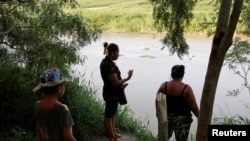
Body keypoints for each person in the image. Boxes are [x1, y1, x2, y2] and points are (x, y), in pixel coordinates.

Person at [100, 42, 133, 141]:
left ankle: (113, 132)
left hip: (112, 92)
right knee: (108, 116)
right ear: (113, 53)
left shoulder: (108, 62)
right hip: (111, 93)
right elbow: (116, 83)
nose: (118, 54)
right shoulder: (108, 65)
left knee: (112, 114)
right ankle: (111, 136)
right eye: (118, 52)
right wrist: (128, 78)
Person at [156, 65, 199, 141]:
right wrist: (201, 117)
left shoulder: (164, 86)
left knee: (163, 138)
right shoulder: (186, 89)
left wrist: (158, 115)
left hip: (166, 118)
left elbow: (157, 101)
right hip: (182, 121)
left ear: (172, 74)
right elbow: (194, 107)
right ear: (182, 75)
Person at [32, 68, 76, 141]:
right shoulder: (62, 109)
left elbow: (38, 130)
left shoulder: (37, 105)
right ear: (59, 89)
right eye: (63, 85)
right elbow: (68, 136)